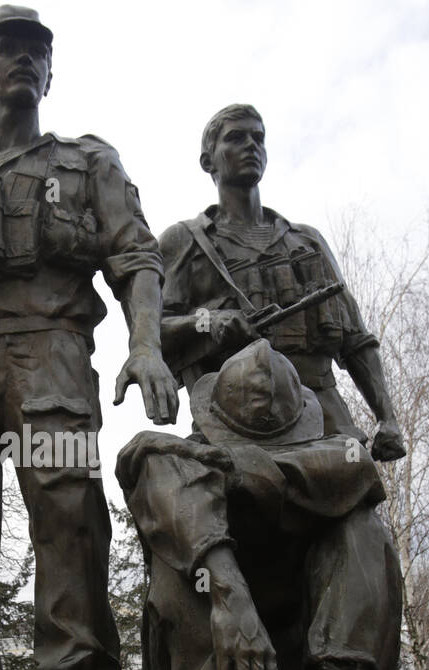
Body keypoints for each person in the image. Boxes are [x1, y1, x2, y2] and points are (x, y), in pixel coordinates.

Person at [0, 6, 177, 670]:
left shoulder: (87, 162)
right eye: (7, 49)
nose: (22, 60)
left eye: (36, 52)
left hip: (49, 347)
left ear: (51, 73)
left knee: (66, 513)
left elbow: (136, 257)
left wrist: (145, 346)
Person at [116, 339, 400, 670]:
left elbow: (358, 468)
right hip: (216, 663)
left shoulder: (338, 461)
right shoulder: (172, 461)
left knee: (362, 527)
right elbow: (147, 461)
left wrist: (240, 467)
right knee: (178, 544)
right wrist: (231, 597)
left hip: (301, 667)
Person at [158, 103, 404, 461]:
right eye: (236, 138)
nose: (251, 146)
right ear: (208, 161)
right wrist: (208, 322)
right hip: (233, 425)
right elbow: (151, 333)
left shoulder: (307, 242)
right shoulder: (184, 243)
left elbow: (355, 340)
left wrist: (388, 419)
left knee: (357, 512)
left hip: (325, 419)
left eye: (259, 138)